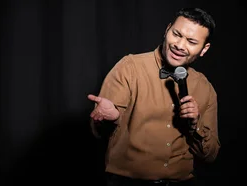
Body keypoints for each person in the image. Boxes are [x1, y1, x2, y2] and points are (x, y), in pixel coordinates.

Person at [87, 7, 220, 186]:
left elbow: (210, 156)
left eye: (191, 41)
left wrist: (195, 125)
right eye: (177, 34)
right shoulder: (130, 67)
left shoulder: (205, 87)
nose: (180, 45)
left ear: (204, 49)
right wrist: (112, 118)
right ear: (167, 30)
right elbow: (98, 132)